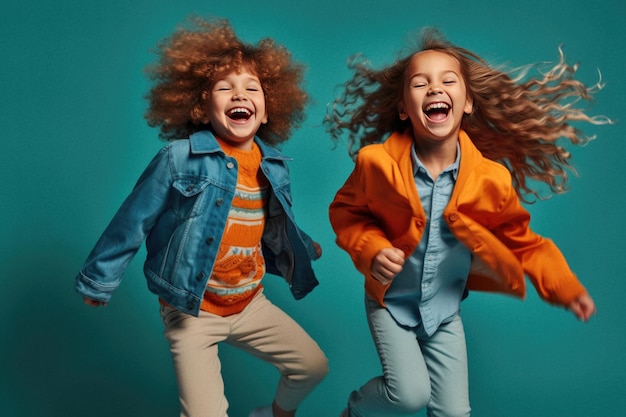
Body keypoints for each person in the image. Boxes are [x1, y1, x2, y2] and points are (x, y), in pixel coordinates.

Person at [327, 28, 608, 417]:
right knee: (409, 395)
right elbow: (346, 213)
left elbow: (523, 243)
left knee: (454, 413)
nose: (434, 89)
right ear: (405, 108)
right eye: (420, 83)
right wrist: (371, 249)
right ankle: (354, 412)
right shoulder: (376, 162)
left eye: (448, 80)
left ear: (468, 103)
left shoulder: (491, 179)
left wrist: (563, 285)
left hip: (443, 311)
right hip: (390, 303)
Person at [75, 17, 328, 417]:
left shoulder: (274, 165)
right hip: (193, 310)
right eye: (224, 88)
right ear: (199, 105)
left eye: (251, 88)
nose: (239, 95)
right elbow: (132, 220)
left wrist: (303, 244)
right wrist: (100, 280)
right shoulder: (179, 158)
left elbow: (266, 222)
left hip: (249, 303)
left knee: (313, 366)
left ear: (267, 109)